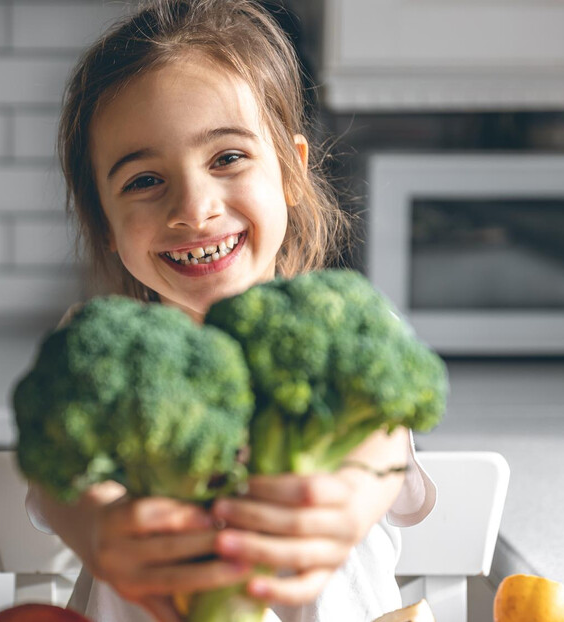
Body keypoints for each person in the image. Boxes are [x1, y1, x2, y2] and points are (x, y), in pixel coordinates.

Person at [26, 1, 436, 620]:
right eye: (143, 180)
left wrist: (347, 498)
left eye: (227, 158)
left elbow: (381, 442)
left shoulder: (342, 333)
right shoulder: (96, 354)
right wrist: (100, 526)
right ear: (104, 223)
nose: (194, 208)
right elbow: (60, 488)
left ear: (292, 173)